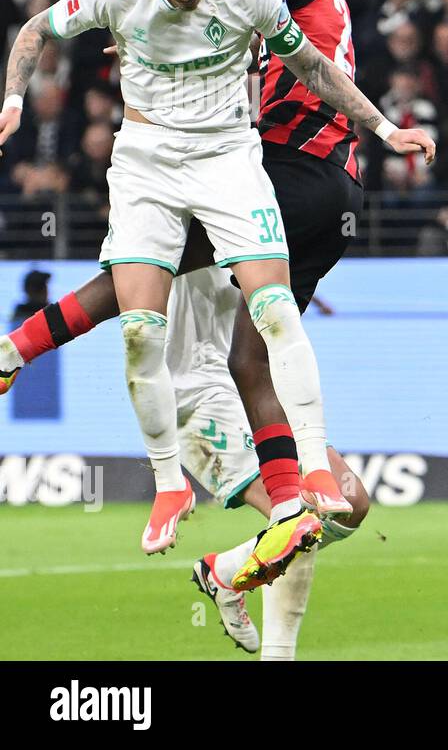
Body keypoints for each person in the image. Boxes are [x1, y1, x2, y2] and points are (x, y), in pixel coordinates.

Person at [0, 0, 432, 579]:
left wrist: (386, 129)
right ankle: (284, 509)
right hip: (326, 182)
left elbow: (295, 49)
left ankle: (20, 347)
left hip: (285, 166)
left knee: (166, 285)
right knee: (247, 356)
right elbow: (66, 21)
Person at [173, 267, 369, 659]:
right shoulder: (178, 220)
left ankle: (225, 571)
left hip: (255, 384)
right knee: (298, 517)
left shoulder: (261, 220)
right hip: (200, 392)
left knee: (351, 504)